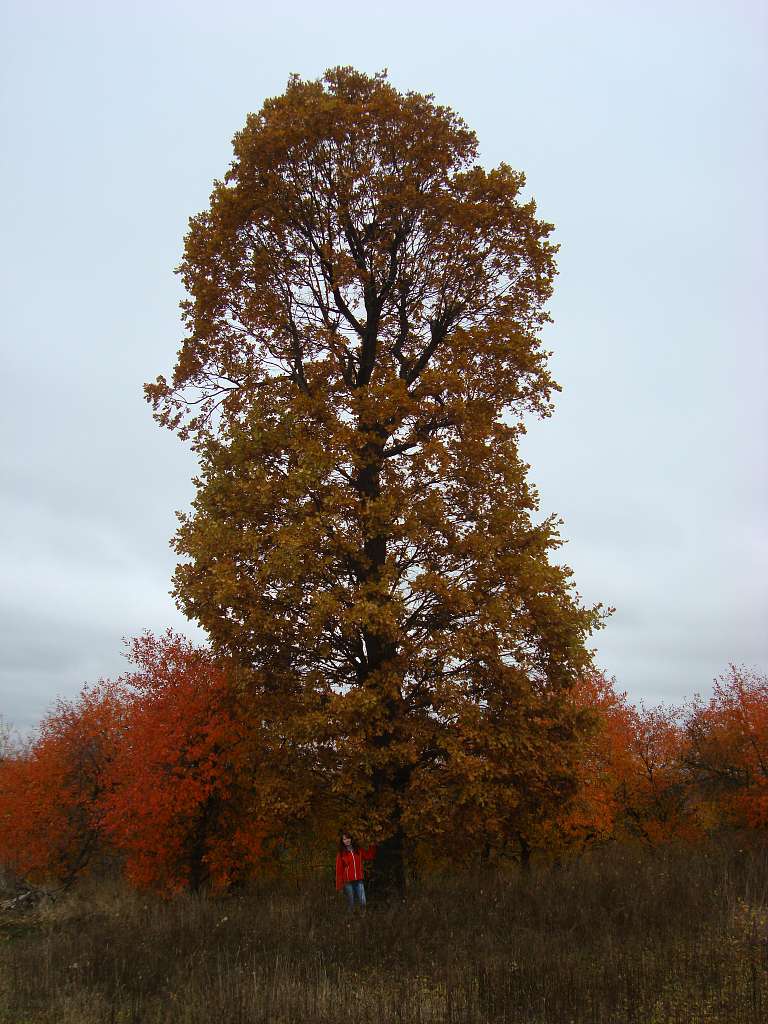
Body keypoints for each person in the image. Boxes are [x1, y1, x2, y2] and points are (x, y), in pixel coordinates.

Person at [335, 833, 376, 911]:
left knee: (363, 902)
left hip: (359, 880)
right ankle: (351, 920)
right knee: (351, 903)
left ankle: (363, 918)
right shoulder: (341, 854)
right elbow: (339, 870)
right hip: (348, 882)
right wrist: (339, 886)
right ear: (342, 841)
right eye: (344, 839)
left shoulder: (358, 850)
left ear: (351, 839)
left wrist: (372, 845)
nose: (346, 841)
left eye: (348, 838)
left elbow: (369, 856)